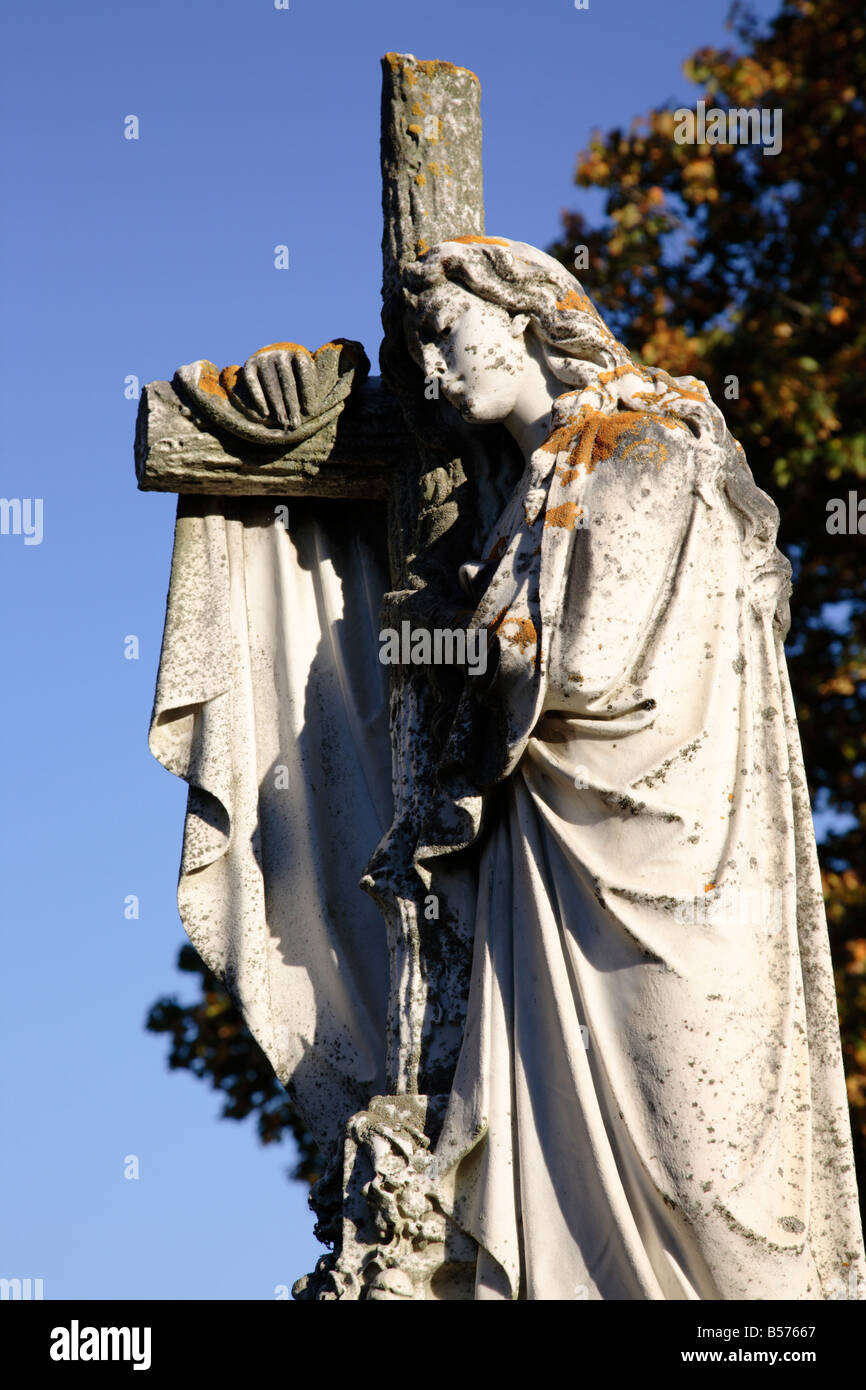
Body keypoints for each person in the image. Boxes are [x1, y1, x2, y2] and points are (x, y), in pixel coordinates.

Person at [397, 235, 865, 1300]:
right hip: (557, 865)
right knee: (571, 1166)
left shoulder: (641, 445)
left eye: (447, 332)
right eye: (420, 347)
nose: (431, 368)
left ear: (523, 318)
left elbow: (584, 665)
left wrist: (455, 628)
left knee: (710, 1176)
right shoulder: (526, 495)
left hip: (683, 859)